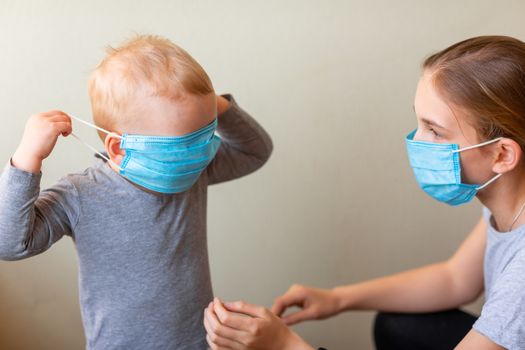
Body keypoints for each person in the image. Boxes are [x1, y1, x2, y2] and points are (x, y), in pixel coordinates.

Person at [204, 35, 525, 350]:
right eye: (420, 122)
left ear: (502, 155)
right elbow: (455, 279)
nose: (418, 141)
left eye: (435, 131)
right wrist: (337, 299)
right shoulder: (509, 201)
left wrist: (282, 344)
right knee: (398, 325)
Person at [0, 35, 273, 349]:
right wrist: (26, 160)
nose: (198, 152)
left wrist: (217, 106)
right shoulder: (80, 194)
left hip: (198, 343)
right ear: (117, 146)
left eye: (205, 135)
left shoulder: (191, 173)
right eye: (183, 144)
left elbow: (255, 152)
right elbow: (9, 243)